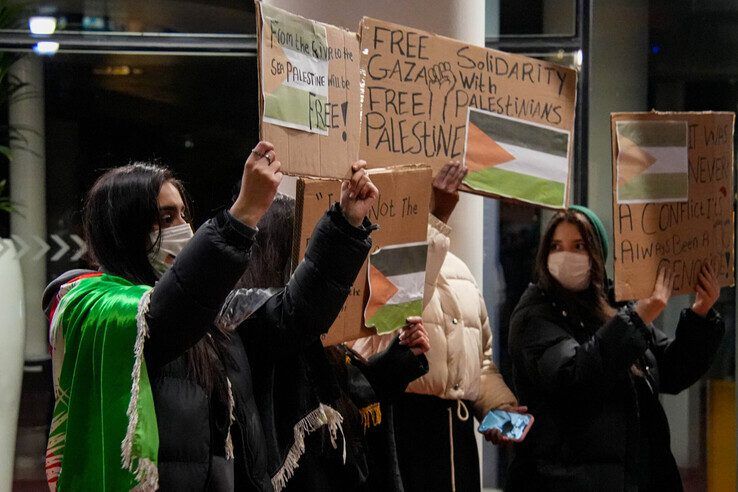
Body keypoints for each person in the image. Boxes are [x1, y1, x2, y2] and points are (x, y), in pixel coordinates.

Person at [42, 142, 378, 491]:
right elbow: (169, 315)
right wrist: (242, 215)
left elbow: (294, 316)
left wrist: (345, 224)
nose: (183, 229)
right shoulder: (101, 309)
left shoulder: (214, 310)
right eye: (165, 218)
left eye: (184, 215)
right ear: (124, 232)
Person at [217, 192, 431, 491]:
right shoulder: (247, 314)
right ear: (280, 248)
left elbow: (344, 393)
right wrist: (346, 227)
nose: (316, 254)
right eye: (312, 241)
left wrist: (399, 361)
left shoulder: (306, 322)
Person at [506, 206, 725, 491]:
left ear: (597, 254)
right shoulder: (535, 315)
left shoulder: (613, 306)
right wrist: (637, 317)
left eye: (579, 246)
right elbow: (574, 376)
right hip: (566, 482)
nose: (565, 255)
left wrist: (699, 316)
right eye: (556, 246)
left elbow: (671, 371)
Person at [353, 161, 521, 492]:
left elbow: (479, 358)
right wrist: (437, 220)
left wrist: (499, 409)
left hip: (458, 442)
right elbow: (383, 326)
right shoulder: (369, 262)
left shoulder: (459, 269)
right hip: (406, 434)